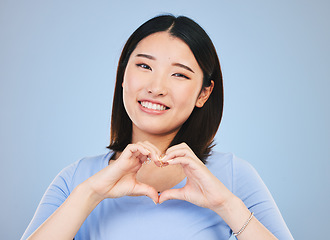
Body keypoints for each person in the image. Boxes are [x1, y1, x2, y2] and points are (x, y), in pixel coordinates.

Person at [21, 15, 293, 240]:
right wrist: (90, 194)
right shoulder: (76, 179)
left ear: (203, 94)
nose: (156, 87)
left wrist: (225, 205)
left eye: (179, 74)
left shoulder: (234, 176)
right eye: (143, 65)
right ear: (123, 75)